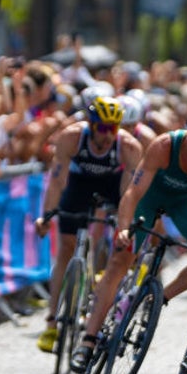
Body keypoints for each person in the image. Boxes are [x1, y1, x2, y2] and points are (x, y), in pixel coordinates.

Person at [71, 104, 187, 374]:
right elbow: (133, 193)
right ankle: (88, 341)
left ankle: (157, 299)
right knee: (121, 259)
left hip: (185, 204)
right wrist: (124, 228)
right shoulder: (164, 146)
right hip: (148, 199)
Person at [33, 96, 143, 354]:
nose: (108, 135)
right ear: (91, 124)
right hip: (79, 184)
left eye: (113, 129)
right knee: (66, 247)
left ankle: (105, 298)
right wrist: (47, 216)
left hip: (112, 185)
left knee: (120, 246)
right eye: (103, 128)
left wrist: (123, 225)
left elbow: (128, 193)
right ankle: (52, 320)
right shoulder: (71, 137)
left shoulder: (128, 145)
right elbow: (57, 181)